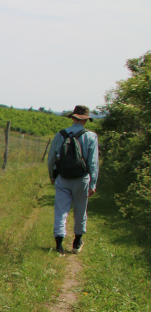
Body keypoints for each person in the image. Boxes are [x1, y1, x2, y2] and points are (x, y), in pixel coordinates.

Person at [47, 105, 99, 254]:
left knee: (61, 211)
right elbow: (93, 162)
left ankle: (59, 245)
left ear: (73, 117)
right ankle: (77, 242)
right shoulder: (91, 136)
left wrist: (52, 176)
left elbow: (51, 158)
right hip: (82, 178)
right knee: (80, 210)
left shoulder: (60, 135)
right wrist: (93, 183)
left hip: (63, 178)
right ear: (86, 120)